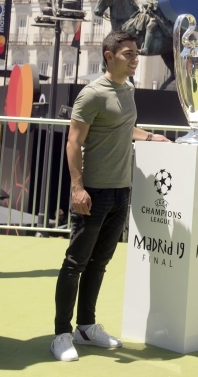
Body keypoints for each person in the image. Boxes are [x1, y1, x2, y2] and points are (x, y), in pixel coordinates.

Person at [51, 30, 171, 361]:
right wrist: (77, 188)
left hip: (121, 192)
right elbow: (74, 142)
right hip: (94, 191)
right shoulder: (92, 94)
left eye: (136, 54)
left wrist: (150, 137)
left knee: (100, 263)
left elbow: (122, 127)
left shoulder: (128, 91)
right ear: (109, 56)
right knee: (75, 263)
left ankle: (86, 327)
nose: (135, 59)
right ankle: (62, 333)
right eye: (128, 54)